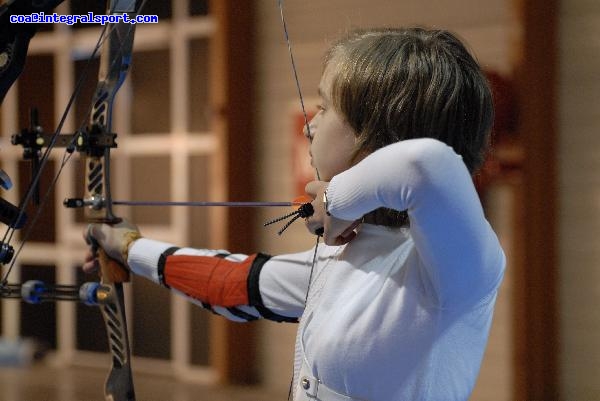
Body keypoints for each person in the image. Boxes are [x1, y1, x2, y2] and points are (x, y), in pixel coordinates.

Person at [84, 27, 506, 401]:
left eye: (324, 108)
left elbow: (426, 165)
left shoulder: (460, 270)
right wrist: (128, 247)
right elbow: (232, 282)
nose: (308, 126)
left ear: (377, 130)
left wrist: (337, 199)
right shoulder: (350, 255)